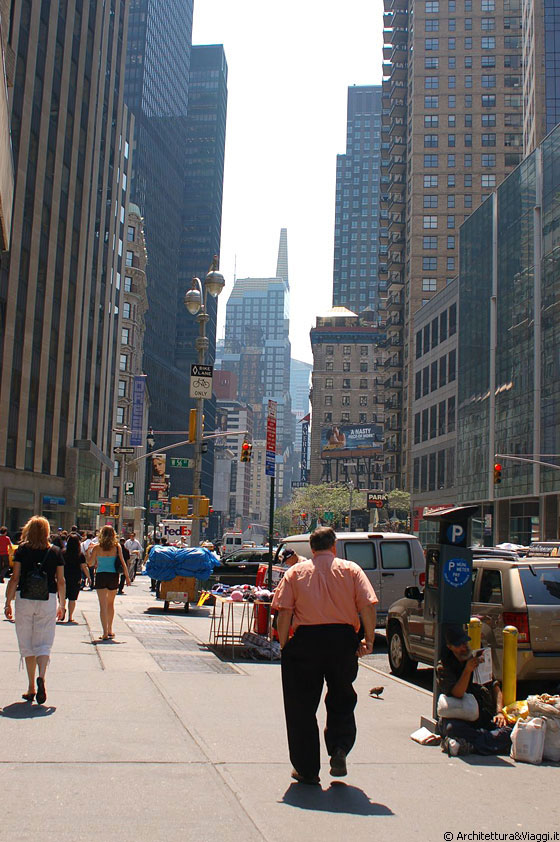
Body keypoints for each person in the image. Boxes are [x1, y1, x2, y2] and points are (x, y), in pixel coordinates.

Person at [271, 526, 378, 785]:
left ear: (311, 547)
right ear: (334, 547)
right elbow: (367, 606)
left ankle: (307, 769)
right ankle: (339, 748)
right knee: (342, 696)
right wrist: (369, 640)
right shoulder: (351, 570)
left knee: (301, 707)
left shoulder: (296, 572)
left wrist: (285, 646)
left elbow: (283, 613)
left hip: (305, 642)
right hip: (342, 642)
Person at [3, 516, 65, 704]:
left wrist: (8, 601)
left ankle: (30, 686)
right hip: (48, 599)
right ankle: (42, 677)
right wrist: (62, 605)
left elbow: (15, 577)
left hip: (25, 598)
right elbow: (61, 580)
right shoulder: (55, 552)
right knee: (44, 642)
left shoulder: (22, 550)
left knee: (26, 642)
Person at [436, 624, 512, 757]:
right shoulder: (444, 667)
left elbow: (495, 687)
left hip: (481, 716)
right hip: (460, 717)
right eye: (459, 645)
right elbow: (457, 693)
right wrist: (467, 670)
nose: (464, 647)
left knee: (511, 731)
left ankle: (470, 745)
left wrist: (499, 712)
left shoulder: (477, 659)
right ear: (450, 647)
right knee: (451, 729)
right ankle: (487, 741)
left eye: (465, 643)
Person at [89, 525, 130, 640]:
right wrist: (127, 577)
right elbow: (123, 562)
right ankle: (110, 629)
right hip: (113, 576)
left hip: (101, 575)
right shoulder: (117, 547)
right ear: (113, 535)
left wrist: (89, 552)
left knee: (102, 605)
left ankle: (105, 632)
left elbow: (91, 564)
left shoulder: (97, 547)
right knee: (110, 604)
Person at [61, 533, 90, 622]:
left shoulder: (63, 553)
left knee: (63, 597)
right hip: (75, 577)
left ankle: (62, 611)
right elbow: (84, 567)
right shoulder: (80, 554)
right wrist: (89, 577)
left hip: (64, 577)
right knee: (72, 598)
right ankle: (70, 617)